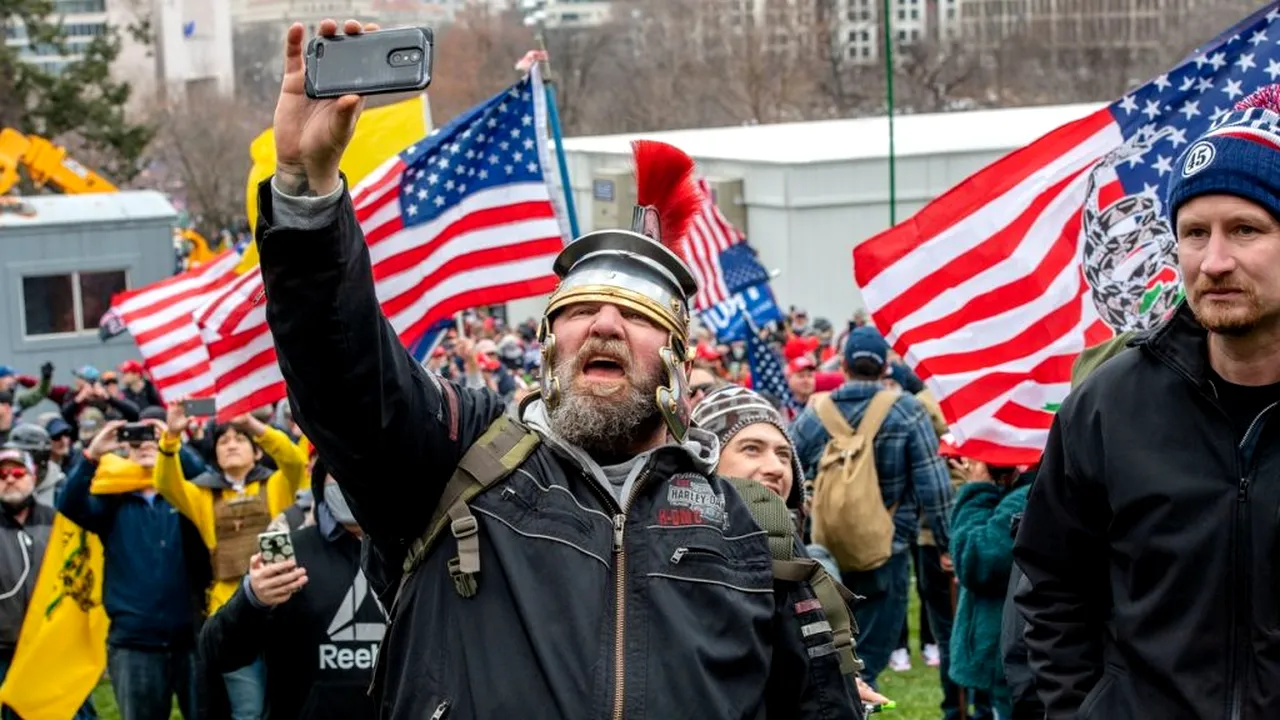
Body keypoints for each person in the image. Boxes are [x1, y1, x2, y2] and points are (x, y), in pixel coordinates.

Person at [255, 19, 863, 718]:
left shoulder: (746, 526)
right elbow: (345, 374)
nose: (605, 323)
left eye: (636, 317)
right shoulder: (460, 460)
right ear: (548, 345)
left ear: (676, 362)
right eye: (582, 311)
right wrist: (305, 194)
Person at [1014, 90, 1280, 717]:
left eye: (1245, 229)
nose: (1214, 261)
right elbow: (1051, 590)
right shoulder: (1107, 407)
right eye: (1194, 233)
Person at [691, 384, 891, 709]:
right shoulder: (690, 565)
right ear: (707, 460)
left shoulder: (788, 545)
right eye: (751, 449)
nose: (775, 467)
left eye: (783, 454)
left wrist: (841, 685)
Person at [791, 325, 954, 690]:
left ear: (844, 366)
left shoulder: (818, 411)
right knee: (871, 654)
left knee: (829, 645)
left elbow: (788, 466)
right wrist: (947, 545)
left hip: (827, 549)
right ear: (884, 370)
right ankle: (862, 699)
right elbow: (935, 487)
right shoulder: (907, 411)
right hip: (890, 546)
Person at [154, 403, 307, 719]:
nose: (232, 444)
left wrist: (253, 424)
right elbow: (167, 484)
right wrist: (170, 437)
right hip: (235, 614)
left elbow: (295, 461)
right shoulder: (202, 495)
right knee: (248, 711)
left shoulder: (277, 484)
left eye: (240, 439)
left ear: (256, 451)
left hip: (287, 610)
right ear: (216, 454)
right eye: (224, 441)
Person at [199, 458, 384, 719]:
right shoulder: (283, 550)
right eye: (337, 470)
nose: (348, 481)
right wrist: (253, 599)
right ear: (320, 482)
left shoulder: (412, 550)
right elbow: (217, 652)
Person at [57, 418, 205, 720]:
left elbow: (205, 477)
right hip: (134, 643)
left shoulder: (186, 496)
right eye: (137, 442)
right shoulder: (112, 502)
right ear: (126, 451)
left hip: (191, 635)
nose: (146, 445)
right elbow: (69, 504)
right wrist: (92, 454)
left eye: (152, 439)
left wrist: (174, 441)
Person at [0, 448, 55, 714]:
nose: (10, 479)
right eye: (2, 473)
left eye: (18, 471)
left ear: (33, 477)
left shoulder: (57, 520)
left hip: (49, 646)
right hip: (3, 648)